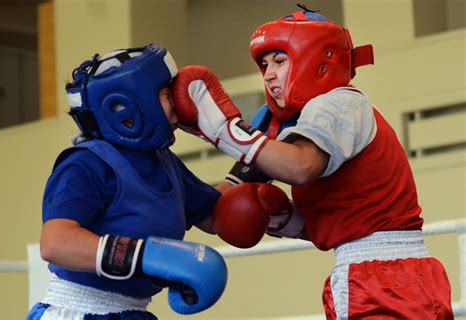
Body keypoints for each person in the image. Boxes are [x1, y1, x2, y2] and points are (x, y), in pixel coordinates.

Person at [170, 6, 454, 319]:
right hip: (400, 275)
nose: (269, 74)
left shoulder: (337, 103)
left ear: (319, 59)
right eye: (264, 64)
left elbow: (301, 168)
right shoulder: (285, 132)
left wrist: (223, 129)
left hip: (378, 279)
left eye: (280, 60)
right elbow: (220, 213)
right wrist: (168, 172)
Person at [26, 44, 228, 320]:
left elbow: (217, 216)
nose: (180, 106)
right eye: (169, 95)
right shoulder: (86, 164)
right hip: (78, 311)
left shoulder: (163, 162)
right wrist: (146, 256)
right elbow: (55, 244)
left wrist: (252, 150)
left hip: (133, 312)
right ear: (130, 106)